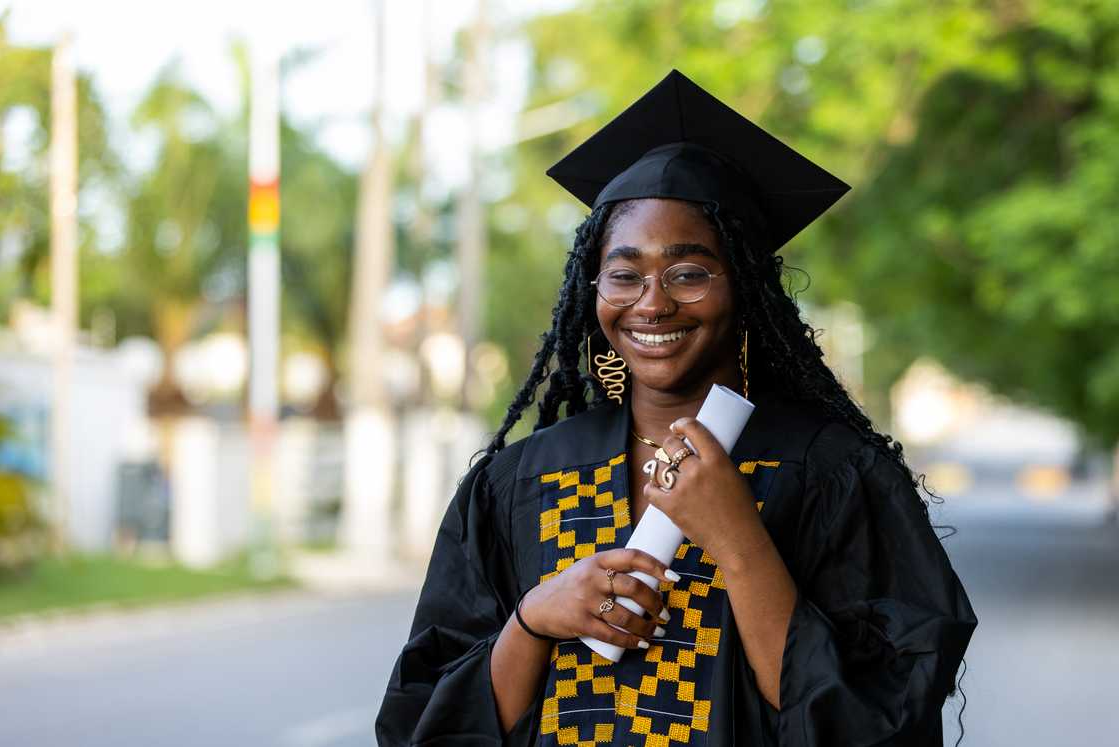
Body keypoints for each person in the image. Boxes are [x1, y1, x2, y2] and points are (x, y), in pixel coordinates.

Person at [376, 69, 976, 746]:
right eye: (625, 274)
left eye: (689, 272)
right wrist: (534, 618)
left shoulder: (835, 474)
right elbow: (419, 727)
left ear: (744, 286)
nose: (653, 302)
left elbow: (877, 723)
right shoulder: (518, 482)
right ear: (594, 287)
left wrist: (739, 539)